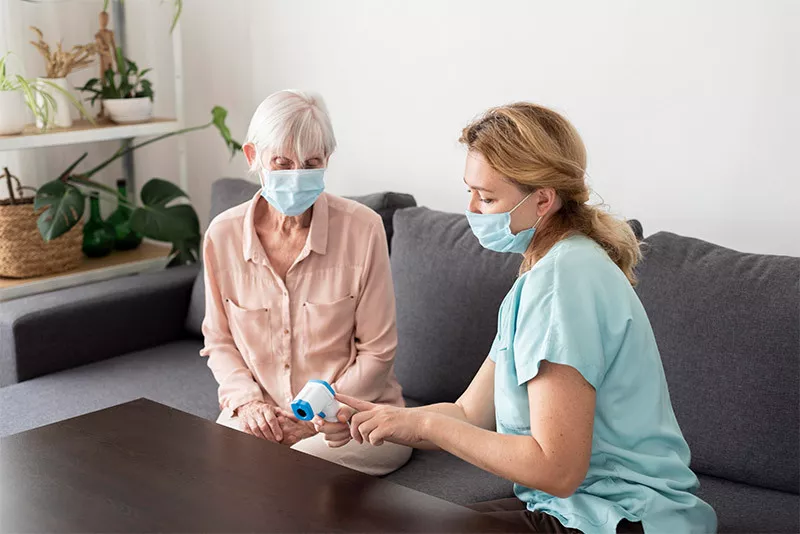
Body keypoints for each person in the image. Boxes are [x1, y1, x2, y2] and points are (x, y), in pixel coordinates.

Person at [316, 102, 717, 533]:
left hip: (622, 519)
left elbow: (556, 469)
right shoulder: (543, 273)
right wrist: (382, 421)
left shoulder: (563, 282)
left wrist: (425, 422)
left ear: (543, 199)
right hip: (577, 509)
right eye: (469, 190)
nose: (470, 207)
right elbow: (470, 413)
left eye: (486, 197)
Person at [200, 90, 411, 476]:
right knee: (227, 465)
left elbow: (378, 352)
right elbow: (219, 341)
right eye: (281, 163)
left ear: (326, 161)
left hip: (351, 417)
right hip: (260, 417)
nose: (296, 176)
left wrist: (314, 416)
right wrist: (249, 405)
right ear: (253, 157)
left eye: (311, 163)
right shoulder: (222, 235)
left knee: (291, 473)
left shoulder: (363, 228)